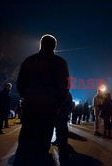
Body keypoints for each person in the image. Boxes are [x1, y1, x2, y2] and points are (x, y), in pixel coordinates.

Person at [14, 34, 70, 166]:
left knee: (25, 141)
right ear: (55, 46)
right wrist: (58, 105)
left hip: (31, 106)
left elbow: (20, 83)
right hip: (48, 109)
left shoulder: (29, 61)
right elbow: (65, 86)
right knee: (43, 142)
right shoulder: (60, 62)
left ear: (41, 44)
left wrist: (26, 97)